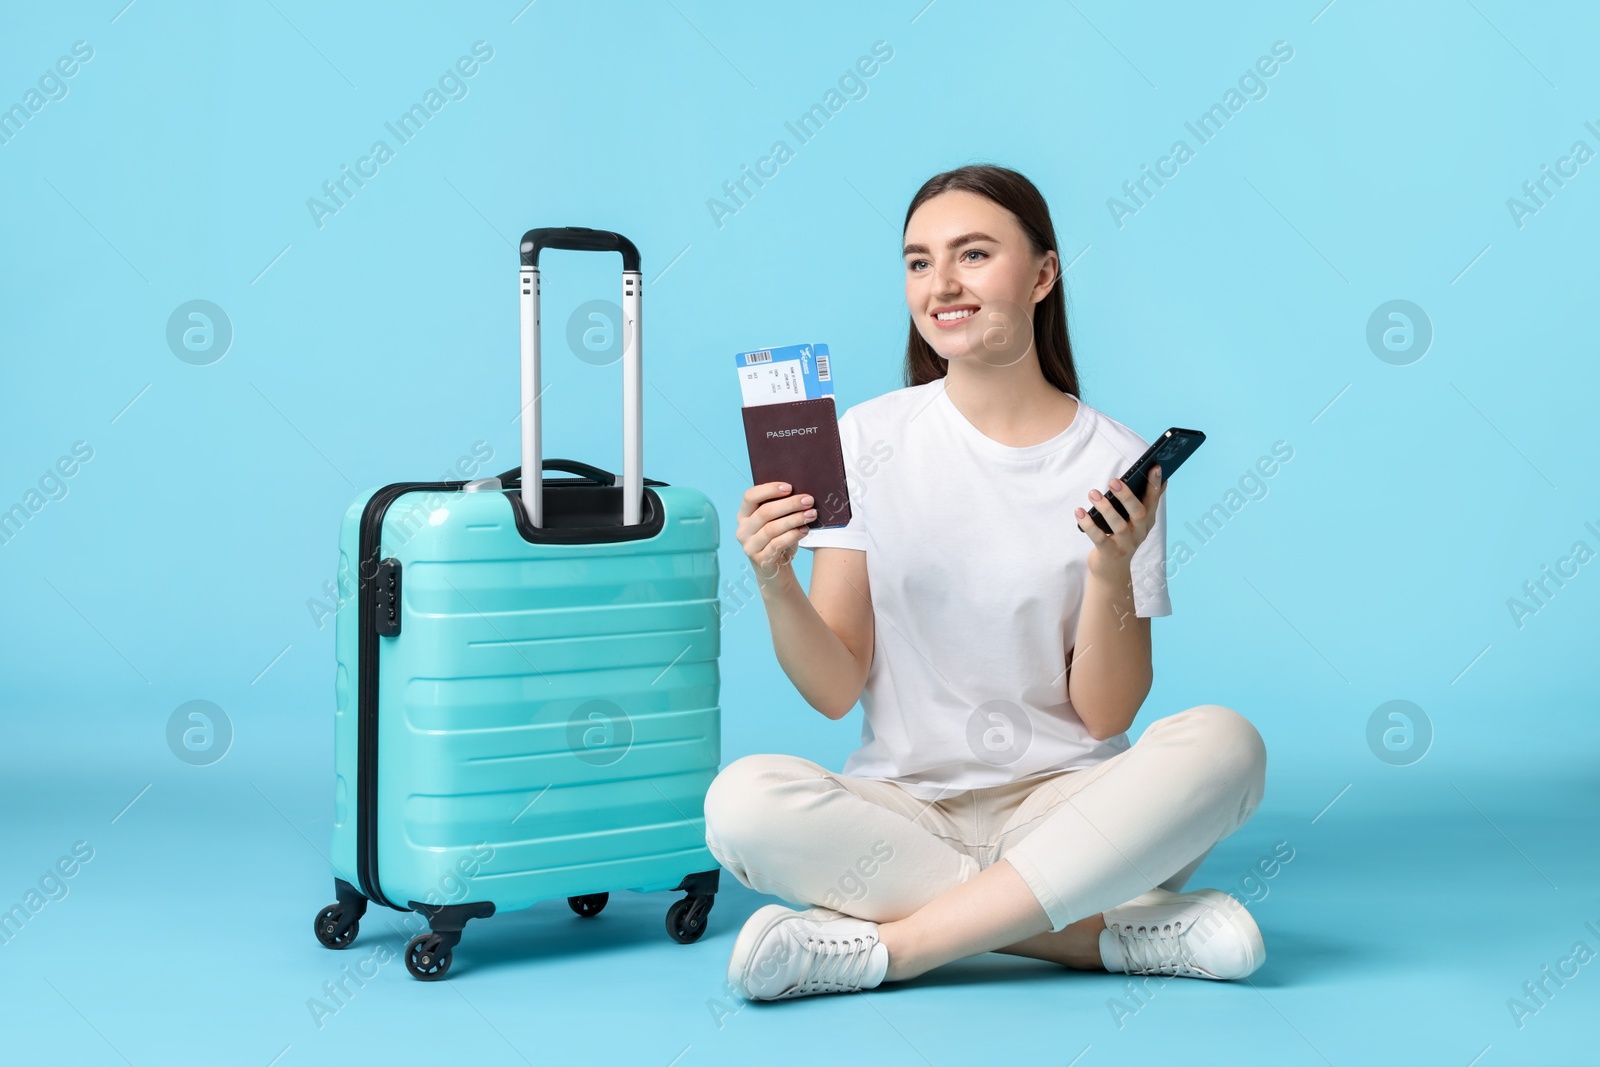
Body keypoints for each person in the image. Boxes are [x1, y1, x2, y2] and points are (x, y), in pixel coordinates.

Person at [707, 164, 1268, 1002]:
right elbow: (832, 689)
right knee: (741, 803)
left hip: (1072, 807)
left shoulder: (1116, 460)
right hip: (907, 814)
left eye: (972, 254)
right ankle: (1095, 938)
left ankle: (894, 948)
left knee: (1228, 745)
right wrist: (773, 578)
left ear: (1042, 274)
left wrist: (1111, 565)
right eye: (918, 261)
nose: (941, 285)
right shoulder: (865, 438)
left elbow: (1107, 716)